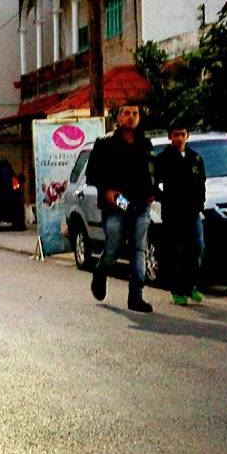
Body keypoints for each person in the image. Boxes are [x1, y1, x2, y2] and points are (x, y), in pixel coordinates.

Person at [85, 103, 155, 314]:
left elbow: (153, 171)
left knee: (139, 249)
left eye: (135, 113)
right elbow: (93, 174)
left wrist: (153, 192)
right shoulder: (105, 144)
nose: (131, 117)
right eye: (127, 113)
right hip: (117, 203)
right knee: (113, 247)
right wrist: (106, 191)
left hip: (140, 203)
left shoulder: (145, 143)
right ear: (118, 117)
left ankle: (136, 296)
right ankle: (101, 272)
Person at [155, 123, 206, 306]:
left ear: (187, 136)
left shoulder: (195, 158)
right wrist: (164, 199)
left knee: (196, 248)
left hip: (192, 212)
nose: (179, 138)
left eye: (182, 134)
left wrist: (199, 204)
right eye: (175, 135)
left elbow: (201, 183)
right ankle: (177, 291)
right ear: (170, 137)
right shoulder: (163, 159)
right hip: (172, 213)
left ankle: (191, 286)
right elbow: (154, 184)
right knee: (176, 252)